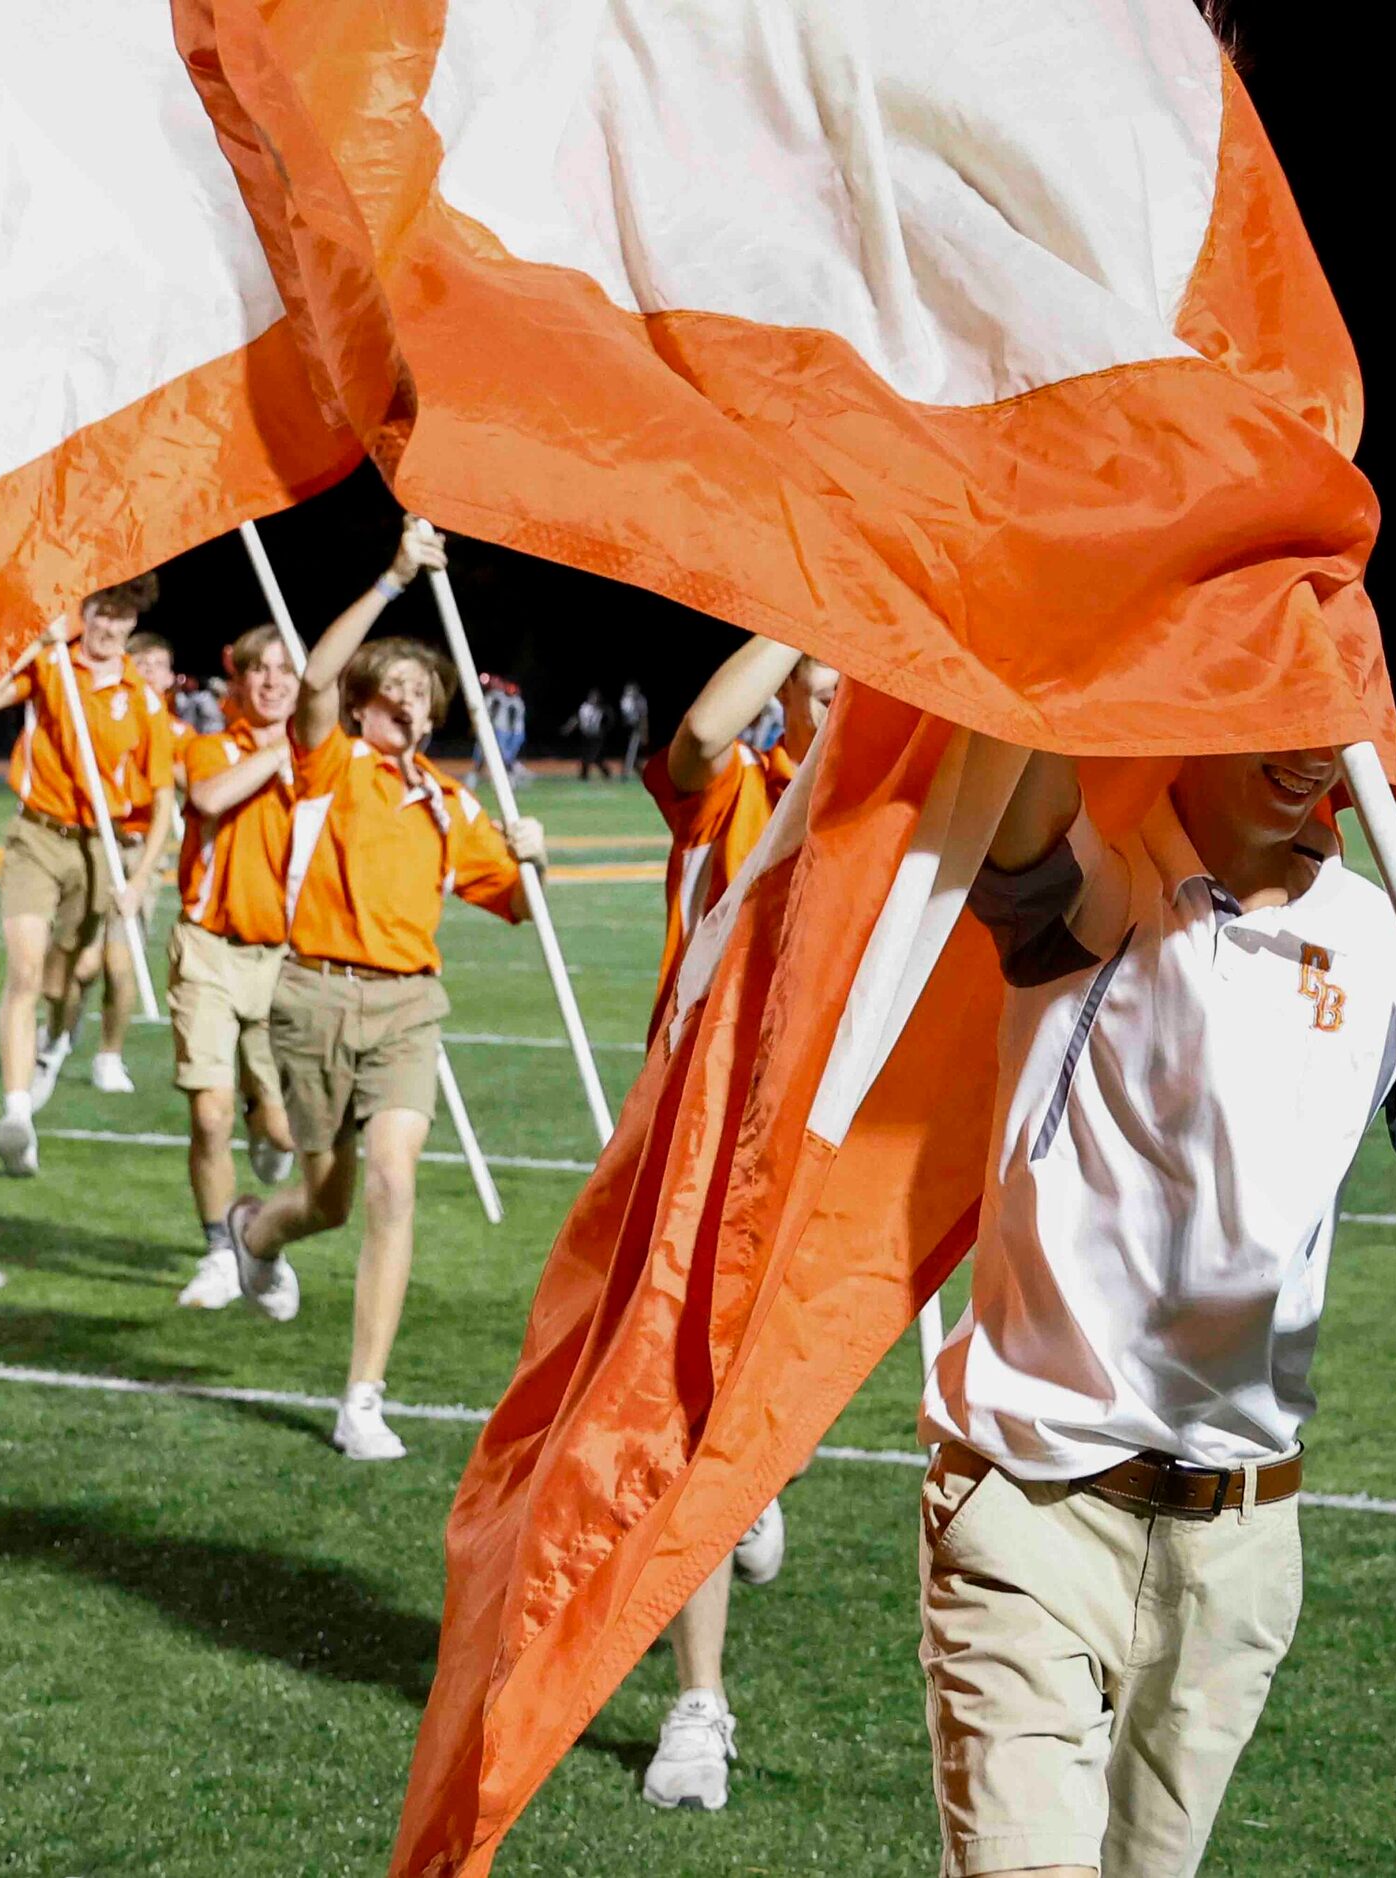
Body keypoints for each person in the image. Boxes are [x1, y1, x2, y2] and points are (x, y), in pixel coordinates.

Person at [910, 741, 1396, 1878]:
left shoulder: (1387, 935)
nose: (1311, 753)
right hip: (1033, 1508)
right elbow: (1011, 729)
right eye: (1278, 708)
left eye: (1333, 716)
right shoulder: (1099, 877)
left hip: (1240, 1545)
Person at [224, 522, 546, 1461]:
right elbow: (315, 678)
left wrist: (535, 861)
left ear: (435, 713)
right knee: (325, 1199)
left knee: (394, 1184)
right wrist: (395, 577)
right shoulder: (331, 766)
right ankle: (257, 1231)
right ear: (366, 707)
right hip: (314, 996)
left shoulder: (452, 803)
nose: (405, 698)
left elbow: (520, 906)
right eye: (391, 687)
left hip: (409, 1005)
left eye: (420, 689)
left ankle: (361, 1396)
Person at [630, 634, 838, 1813]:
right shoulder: (740, 791)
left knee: (760, 1413)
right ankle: (698, 1700)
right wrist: (814, 603)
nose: (841, 688)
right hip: (700, 1141)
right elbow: (702, 736)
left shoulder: (899, 826)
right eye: (824, 672)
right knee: (688, 1421)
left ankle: (765, 1471)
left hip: (821, 1156)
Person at [0, 575, 178, 1176]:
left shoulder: (144, 698)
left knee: (70, 974)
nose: (109, 628)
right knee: (26, 970)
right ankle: (15, 1113)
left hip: (101, 848)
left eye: (121, 617)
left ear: (135, 623)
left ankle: (59, 1041)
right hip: (37, 836)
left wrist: (141, 879)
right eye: (100, 614)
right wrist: (34, 644)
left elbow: (162, 800)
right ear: (84, 613)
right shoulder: (52, 664)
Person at [169, 625, 307, 1305]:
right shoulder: (210, 746)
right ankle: (220, 1251)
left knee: (284, 1132)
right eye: (261, 670)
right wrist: (283, 748)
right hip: (209, 948)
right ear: (240, 681)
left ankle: (256, 1225)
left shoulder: (321, 762)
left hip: (286, 958)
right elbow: (210, 798)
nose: (274, 682)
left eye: (287, 671)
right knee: (209, 1116)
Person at [67, 630, 188, 1096]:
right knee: (82, 964)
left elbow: (191, 778)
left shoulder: (174, 728)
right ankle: (64, 1026)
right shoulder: (103, 714)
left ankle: (109, 1055)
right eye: (145, 663)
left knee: (121, 963)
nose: (154, 673)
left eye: (162, 665)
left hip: (142, 848)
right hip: (97, 842)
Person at [568, 688, 610, 779]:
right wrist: (570, 727)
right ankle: (600, 773)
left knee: (592, 755)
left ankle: (585, 774)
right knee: (589, 755)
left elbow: (608, 720)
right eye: (593, 697)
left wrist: (604, 729)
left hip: (596, 735)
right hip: (585, 735)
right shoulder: (584, 707)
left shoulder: (601, 708)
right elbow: (577, 718)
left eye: (596, 697)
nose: (594, 699)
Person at [619, 680, 651, 776]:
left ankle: (626, 773)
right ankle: (633, 771)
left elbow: (643, 717)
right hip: (626, 727)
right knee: (626, 751)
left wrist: (644, 732)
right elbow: (624, 715)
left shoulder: (641, 700)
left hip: (636, 726)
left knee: (632, 750)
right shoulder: (624, 699)